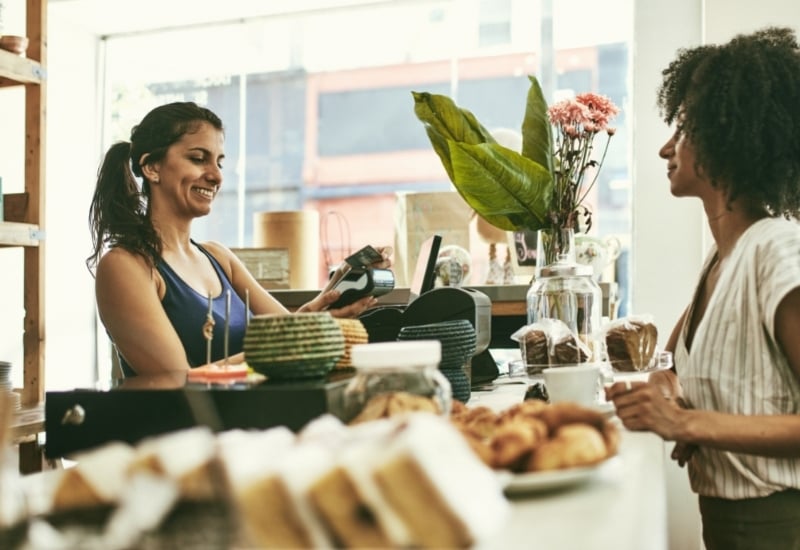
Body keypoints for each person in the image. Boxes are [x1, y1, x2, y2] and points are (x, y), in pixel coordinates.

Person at [605, 27, 800, 549]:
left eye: (684, 129)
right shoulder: (721, 259)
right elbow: (670, 367)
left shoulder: (777, 251)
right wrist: (669, 391)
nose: (667, 147)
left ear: (727, 135)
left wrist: (688, 425)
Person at [87, 101, 391, 377]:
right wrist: (276, 351)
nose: (216, 176)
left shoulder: (218, 257)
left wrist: (336, 288)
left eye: (219, 162)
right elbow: (179, 381)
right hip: (180, 434)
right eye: (198, 158)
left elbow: (287, 331)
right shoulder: (125, 267)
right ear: (152, 167)